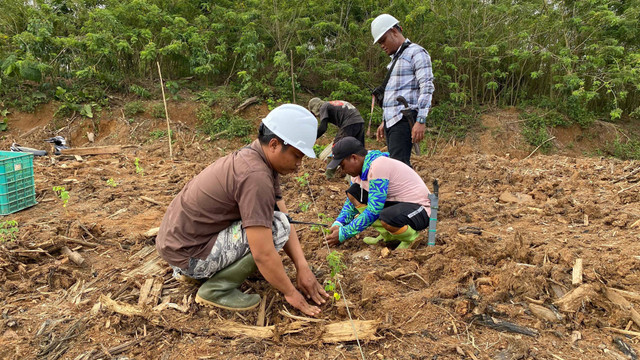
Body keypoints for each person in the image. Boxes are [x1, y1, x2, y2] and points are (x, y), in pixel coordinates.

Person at [155, 104, 329, 316]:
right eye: (297, 156)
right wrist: (291, 293)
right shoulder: (255, 176)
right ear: (274, 144)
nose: (299, 164)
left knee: (279, 221)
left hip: (180, 245)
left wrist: (302, 266)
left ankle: (197, 272)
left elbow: (283, 212)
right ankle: (216, 290)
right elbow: (263, 252)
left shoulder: (256, 157)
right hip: (189, 255)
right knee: (276, 228)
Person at [325, 137, 431, 249]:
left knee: (387, 217)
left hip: (420, 209)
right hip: (399, 204)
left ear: (354, 158)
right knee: (354, 193)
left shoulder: (378, 165)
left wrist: (344, 233)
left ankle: (410, 239)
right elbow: (351, 204)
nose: (342, 170)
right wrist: (339, 224)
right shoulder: (358, 175)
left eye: (342, 165)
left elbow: (374, 209)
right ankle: (389, 235)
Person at [370, 13, 435, 167]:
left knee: (399, 168)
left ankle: (414, 191)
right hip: (393, 121)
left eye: (383, 40)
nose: (382, 46)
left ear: (394, 31)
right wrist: (384, 121)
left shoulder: (416, 52)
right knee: (398, 166)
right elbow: (395, 93)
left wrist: (421, 120)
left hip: (403, 121)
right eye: (379, 43)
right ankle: (412, 191)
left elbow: (426, 86)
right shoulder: (396, 59)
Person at [308, 98, 366, 178]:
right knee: (358, 150)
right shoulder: (330, 104)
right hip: (359, 121)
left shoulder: (323, 107)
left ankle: (328, 175)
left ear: (315, 108)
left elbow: (323, 128)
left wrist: (312, 138)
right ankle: (359, 175)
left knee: (338, 147)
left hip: (350, 122)